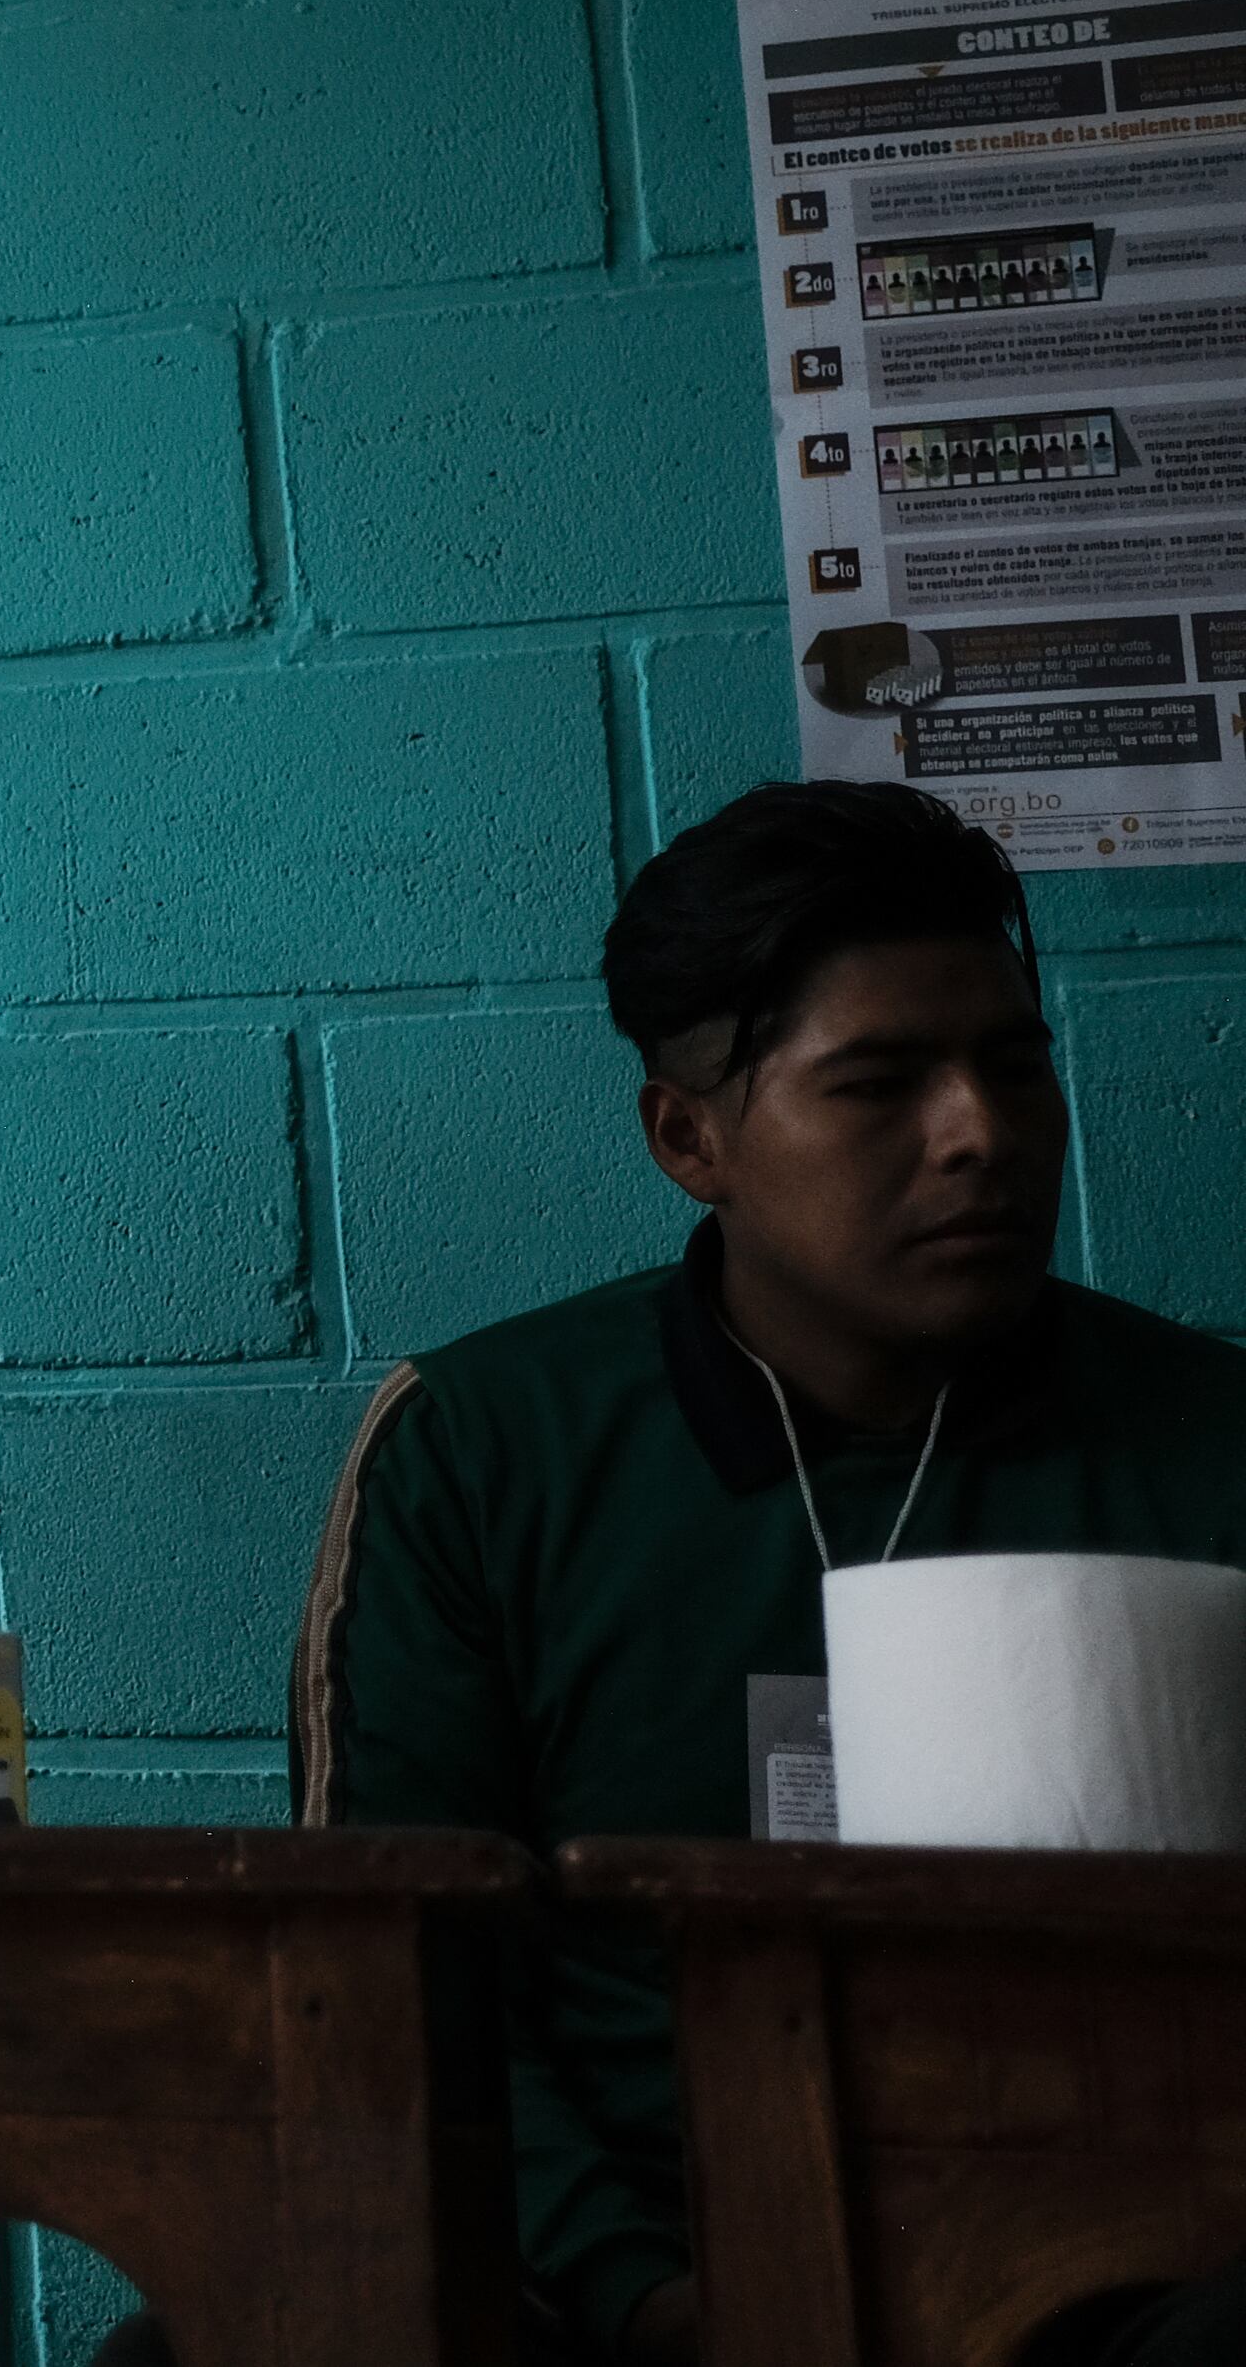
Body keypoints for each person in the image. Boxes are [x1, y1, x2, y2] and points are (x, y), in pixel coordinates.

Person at [289, 781, 1246, 2367]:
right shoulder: (481, 1450)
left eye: (1017, 1066)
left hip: (1138, 2279)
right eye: (878, 1083)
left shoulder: (1207, 1438)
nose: (982, 1135)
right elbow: (394, 1987)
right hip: (616, 2289)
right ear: (691, 1137)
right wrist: (648, 2295)